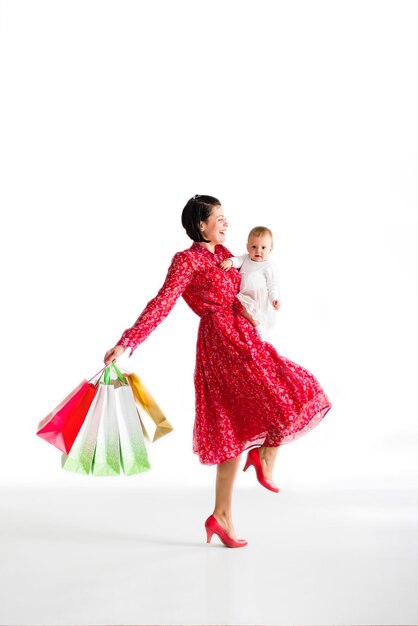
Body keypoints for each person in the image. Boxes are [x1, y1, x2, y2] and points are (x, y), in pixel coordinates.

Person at [104, 194, 332, 548]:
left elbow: (257, 274)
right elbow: (162, 303)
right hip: (220, 344)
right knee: (256, 407)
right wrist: (127, 342)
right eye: (219, 218)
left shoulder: (228, 256)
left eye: (226, 218)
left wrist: (268, 302)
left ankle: (222, 513)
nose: (226, 223)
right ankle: (260, 459)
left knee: (261, 407)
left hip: (244, 333)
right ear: (201, 224)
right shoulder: (186, 261)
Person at [219, 225, 280, 342]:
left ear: (270, 249)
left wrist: (274, 298)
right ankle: (254, 327)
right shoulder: (245, 258)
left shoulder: (269, 266)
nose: (258, 251)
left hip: (259, 297)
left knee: (258, 315)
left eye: (263, 247)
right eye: (254, 247)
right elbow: (237, 260)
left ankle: (258, 327)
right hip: (245, 296)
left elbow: (272, 284)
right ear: (247, 247)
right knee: (242, 309)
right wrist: (230, 262)